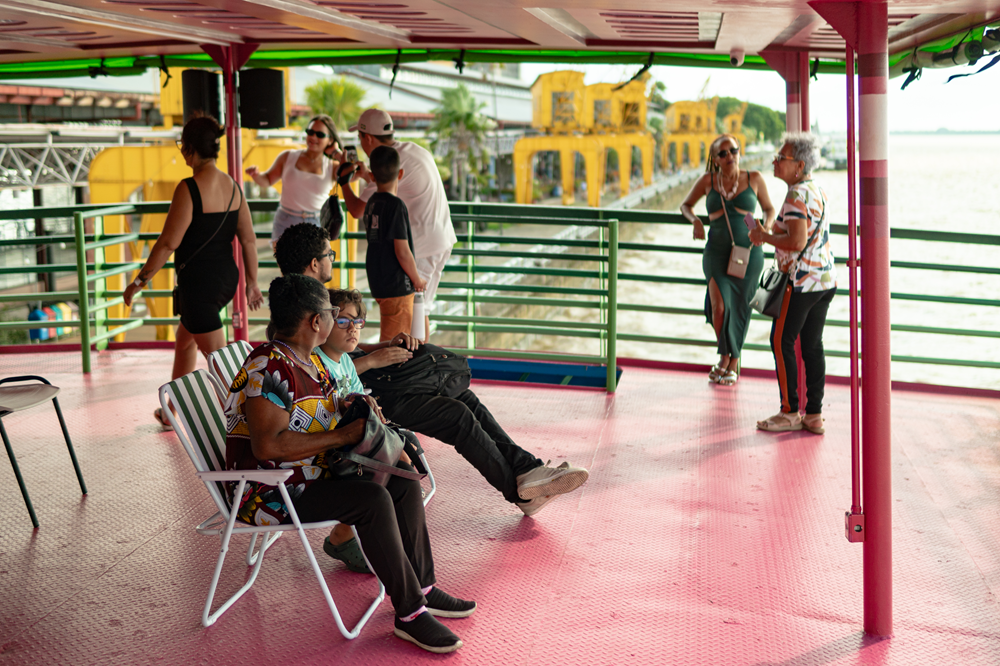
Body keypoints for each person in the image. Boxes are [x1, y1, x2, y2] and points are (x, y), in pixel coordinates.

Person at [225, 274, 474, 653]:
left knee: (402, 479)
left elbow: (322, 408)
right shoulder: (270, 368)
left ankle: (422, 586)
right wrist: (343, 436)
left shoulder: (309, 361)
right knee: (371, 500)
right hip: (269, 491)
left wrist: (354, 410)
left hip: (310, 475)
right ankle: (409, 614)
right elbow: (267, 446)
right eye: (332, 312)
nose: (334, 318)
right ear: (315, 322)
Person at [325, 289, 590, 518]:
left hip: (388, 388)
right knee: (457, 415)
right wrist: (371, 362)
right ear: (323, 324)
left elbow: (356, 351)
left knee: (464, 397)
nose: (352, 328)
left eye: (357, 321)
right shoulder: (316, 353)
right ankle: (521, 494)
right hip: (377, 408)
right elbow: (326, 381)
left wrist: (387, 346)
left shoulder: (342, 346)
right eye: (343, 321)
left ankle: (527, 468)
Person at [123, 115, 263, 429]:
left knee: (220, 362)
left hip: (199, 286)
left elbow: (168, 242)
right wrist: (252, 283)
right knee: (185, 341)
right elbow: (249, 239)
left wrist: (138, 281)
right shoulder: (233, 187)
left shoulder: (189, 189)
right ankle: (170, 409)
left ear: (188, 150)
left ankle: (251, 423)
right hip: (226, 280)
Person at [340, 108, 456, 342]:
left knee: (409, 316)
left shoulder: (394, 162)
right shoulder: (411, 151)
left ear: (368, 138)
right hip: (442, 239)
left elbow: (356, 210)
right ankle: (421, 364)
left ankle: (408, 369)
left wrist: (343, 182)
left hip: (420, 248)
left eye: (360, 138)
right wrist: (367, 176)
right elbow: (394, 182)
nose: (360, 143)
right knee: (421, 309)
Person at [749, 133, 837, 434]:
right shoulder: (816, 189)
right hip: (824, 279)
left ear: (798, 165)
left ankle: (789, 411)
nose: (775, 161)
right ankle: (813, 414)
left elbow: (796, 240)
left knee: (781, 340)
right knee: (812, 345)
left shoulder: (796, 194)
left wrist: (763, 237)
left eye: (781, 158)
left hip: (801, 283)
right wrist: (773, 231)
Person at [680, 134, 776, 386]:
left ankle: (729, 362)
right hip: (716, 252)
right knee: (719, 307)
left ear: (739, 152)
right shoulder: (707, 181)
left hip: (749, 252)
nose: (729, 156)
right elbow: (685, 205)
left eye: (733, 150)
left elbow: (769, 209)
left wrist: (764, 228)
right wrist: (696, 221)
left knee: (741, 308)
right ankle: (727, 356)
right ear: (715, 159)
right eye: (723, 153)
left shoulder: (754, 178)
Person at [359, 145, 426, 341]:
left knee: (392, 336)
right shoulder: (396, 205)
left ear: (371, 176)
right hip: (396, 285)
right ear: (401, 173)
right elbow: (402, 250)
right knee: (395, 343)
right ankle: (386, 372)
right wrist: (416, 279)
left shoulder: (371, 202)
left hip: (378, 281)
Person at [245, 114, 342, 247]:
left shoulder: (332, 166)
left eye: (320, 134)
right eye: (310, 132)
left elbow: (353, 171)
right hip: (285, 219)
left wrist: (336, 153)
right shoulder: (287, 157)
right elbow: (267, 180)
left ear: (330, 140)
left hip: (315, 223)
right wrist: (256, 175)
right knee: (286, 266)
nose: (313, 137)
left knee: (311, 267)